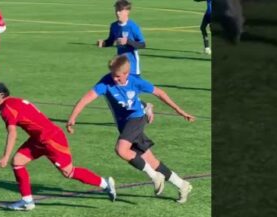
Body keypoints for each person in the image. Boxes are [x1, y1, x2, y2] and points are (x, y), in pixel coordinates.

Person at [66, 55, 196, 203]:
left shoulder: (135, 82)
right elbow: (85, 99)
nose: (114, 78)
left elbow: (160, 93)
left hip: (136, 118)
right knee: (151, 161)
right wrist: (72, 117)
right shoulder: (106, 82)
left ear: (126, 73)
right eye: (112, 75)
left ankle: (155, 176)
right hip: (124, 125)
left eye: (117, 76)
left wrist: (180, 111)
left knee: (121, 150)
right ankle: (182, 184)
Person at [0, 83, 117, 211]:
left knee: (69, 172)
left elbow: (12, 133)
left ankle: (105, 183)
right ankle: (27, 201)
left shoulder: (7, 110)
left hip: (52, 140)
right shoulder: (14, 102)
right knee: (18, 161)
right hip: (39, 139)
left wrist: (5, 156)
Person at [97, 0, 146, 76]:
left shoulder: (133, 27)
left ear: (127, 12)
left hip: (132, 67)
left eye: (120, 10)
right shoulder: (114, 26)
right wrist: (104, 43)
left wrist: (128, 41)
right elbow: (111, 41)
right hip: (120, 65)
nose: (117, 13)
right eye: (116, 10)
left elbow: (142, 44)